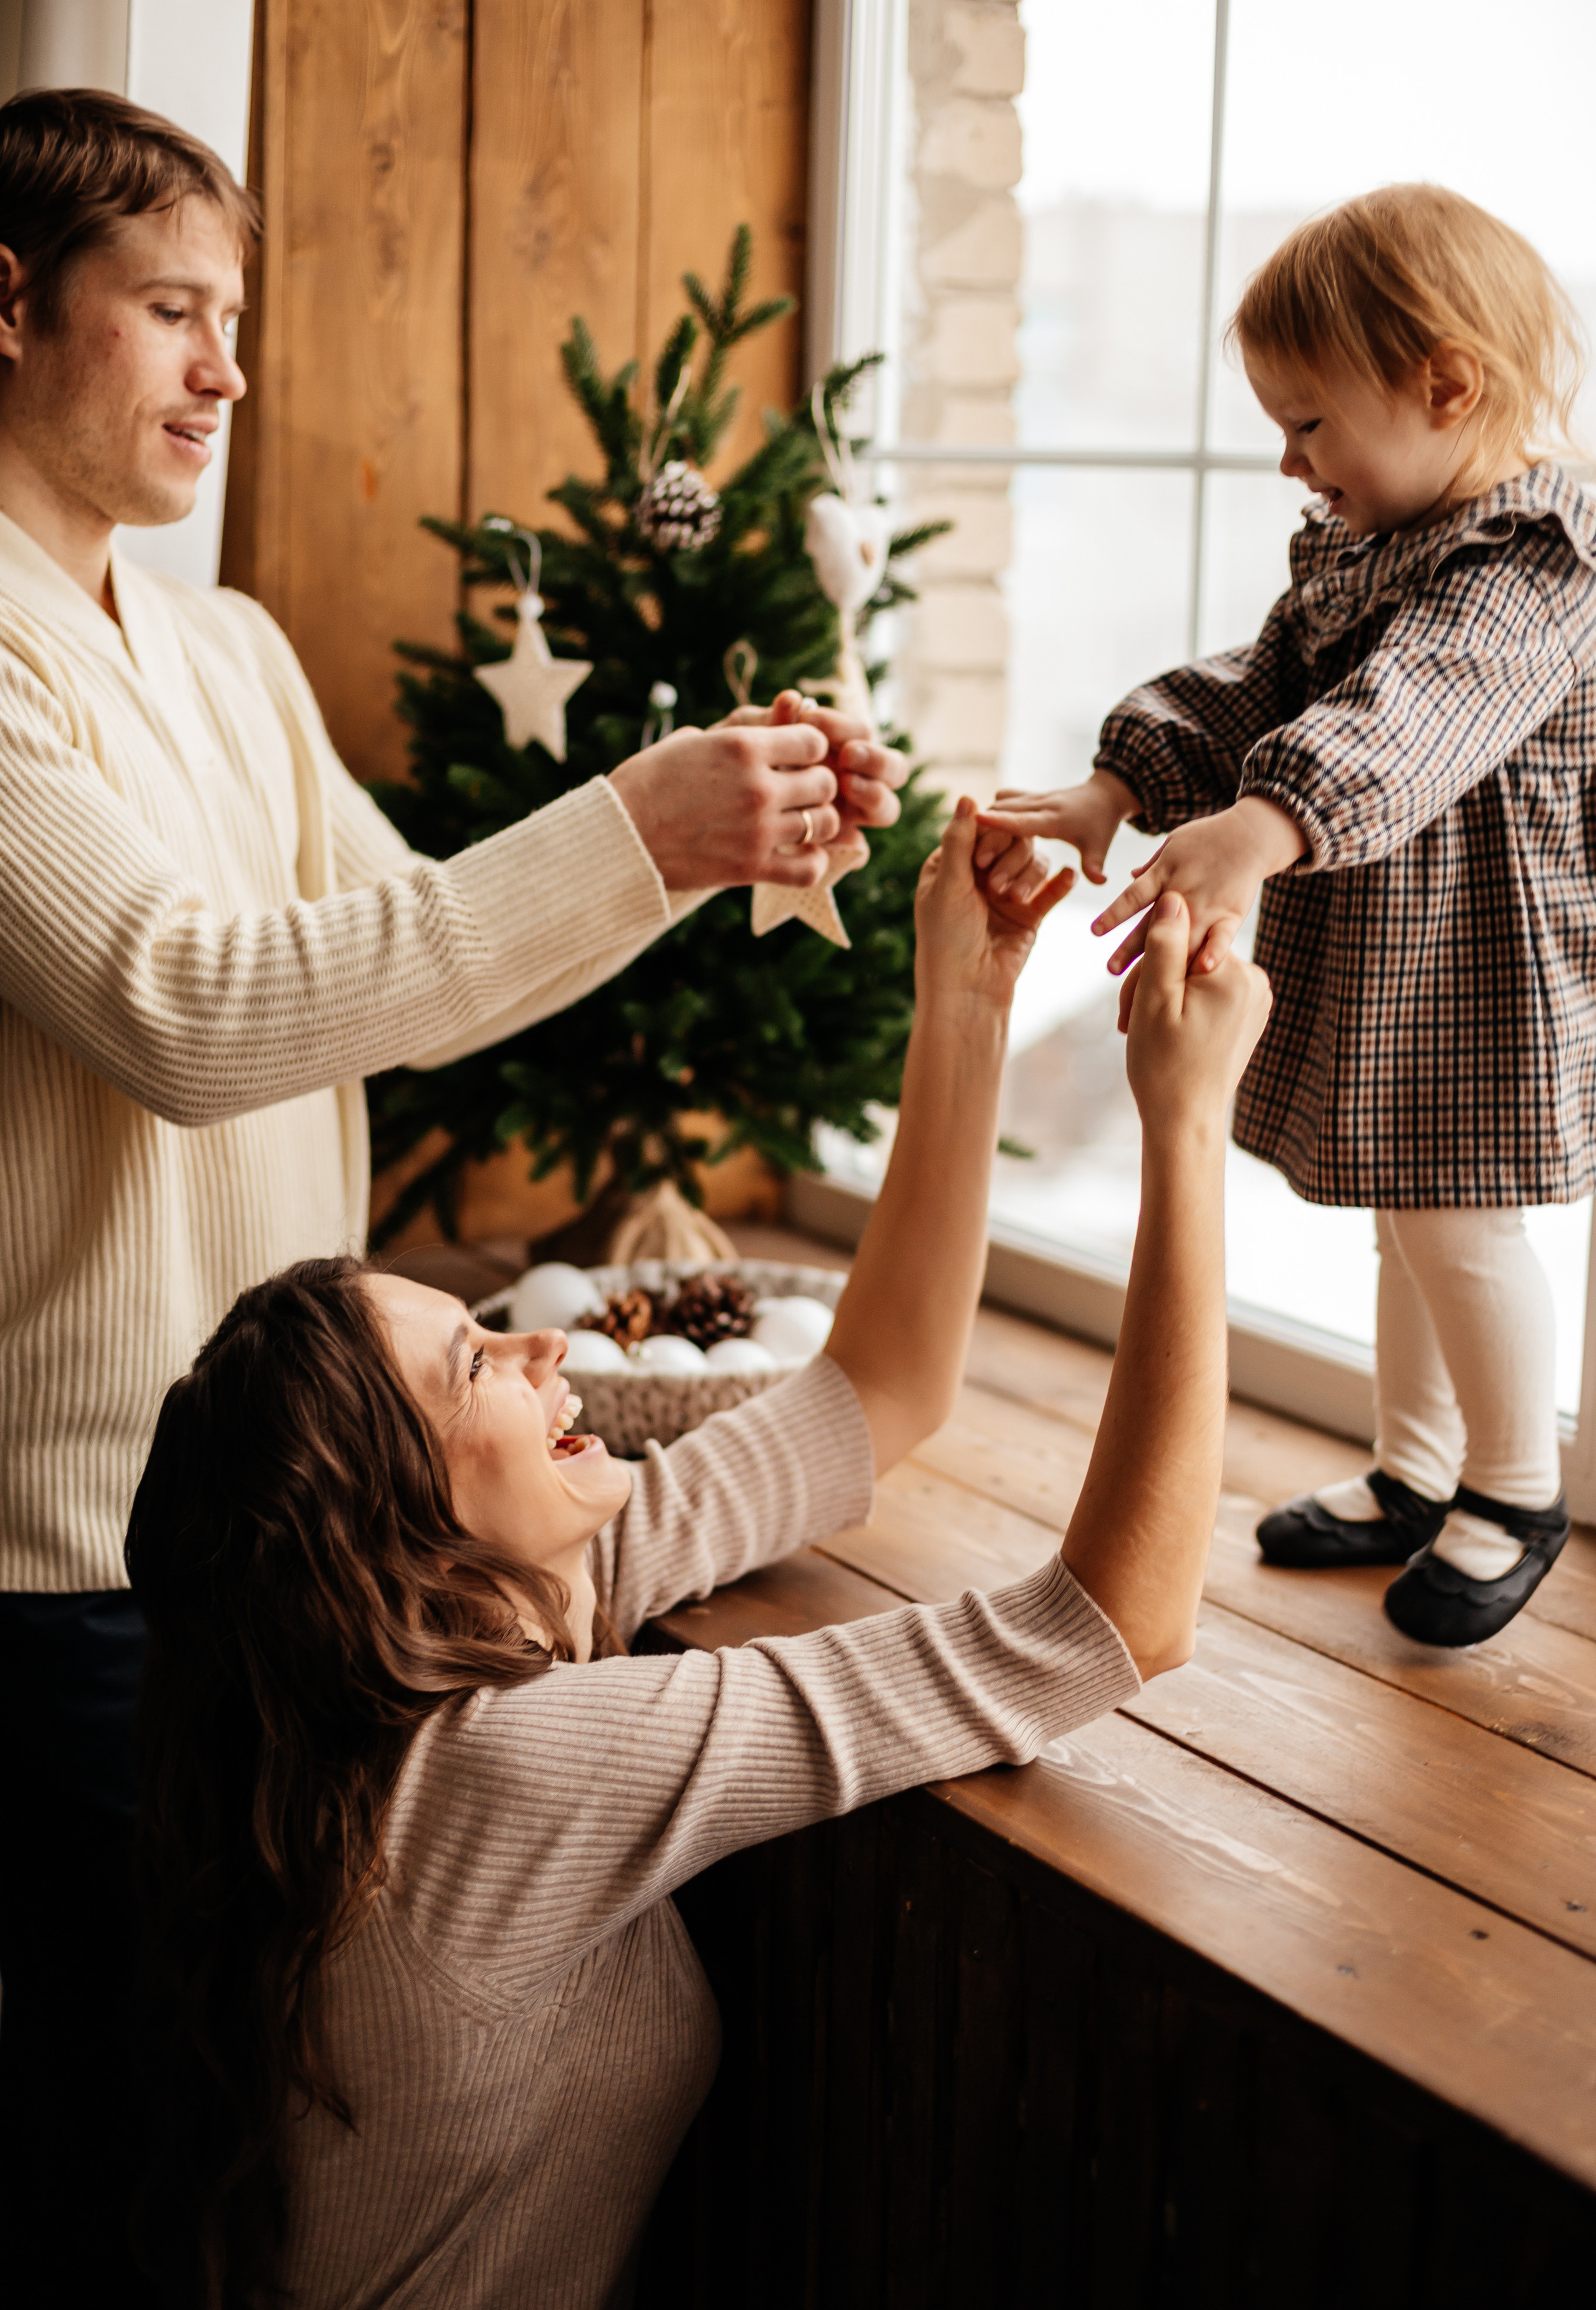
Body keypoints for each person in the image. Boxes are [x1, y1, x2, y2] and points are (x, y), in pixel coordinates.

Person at [0, 86, 911, 2304]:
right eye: (172, 314)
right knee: (117, 2181)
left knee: (254, 2171)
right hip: (65, 1586)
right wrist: (641, 823)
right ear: (6, 308)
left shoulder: (215, 650)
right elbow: (193, 1011)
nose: (230, 369)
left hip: (295, 1531)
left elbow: (407, 970)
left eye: (242, 318)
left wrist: (709, 858)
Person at [125, 807, 1269, 2308]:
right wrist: (1185, 1133)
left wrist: (968, 996)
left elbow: (877, 1389)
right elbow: (1108, 1623)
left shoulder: (478, 1633)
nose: (543, 1344)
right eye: (475, 1363)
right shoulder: (501, 1773)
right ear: (394, 1540)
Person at [979, 183, 1595, 1652]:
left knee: (1455, 1225)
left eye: (1309, 424)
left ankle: (1514, 1489)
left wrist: (1260, 825)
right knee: (1399, 1218)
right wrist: (1111, 783)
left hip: (1482, 967)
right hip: (1395, 956)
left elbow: (1420, 710)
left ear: (1443, 386)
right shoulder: (1361, 552)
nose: (1284, 460)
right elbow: (1251, 689)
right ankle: (1414, 1467)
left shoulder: (1531, 563)